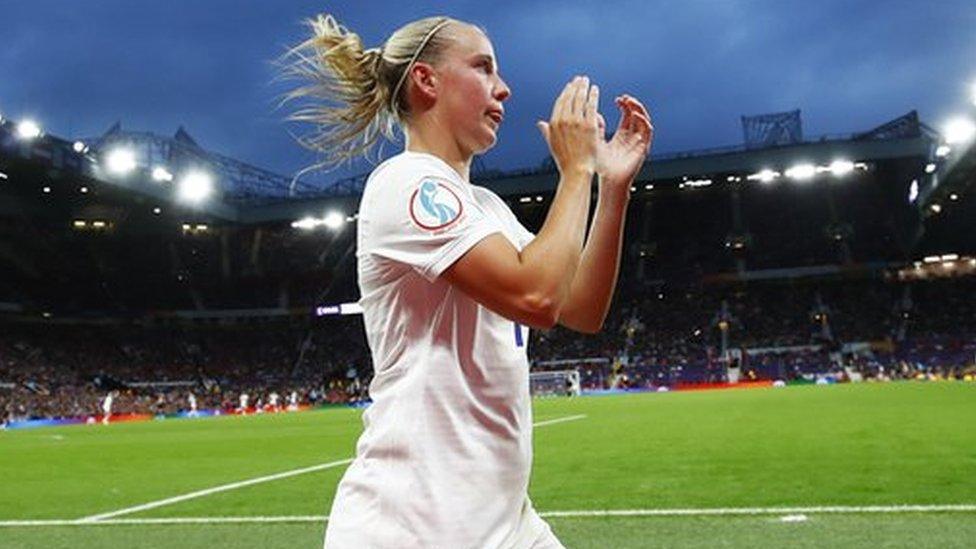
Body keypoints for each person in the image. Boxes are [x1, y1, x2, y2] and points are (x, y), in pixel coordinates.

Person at [281, 13, 652, 549]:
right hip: (415, 525)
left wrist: (612, 189)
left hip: (502, 522)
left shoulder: (486, 208)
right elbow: (537, 295)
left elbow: (581, 309)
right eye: (482, 67)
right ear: (426, 81)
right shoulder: (406, 184)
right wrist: (575, 173)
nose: (503, 88)